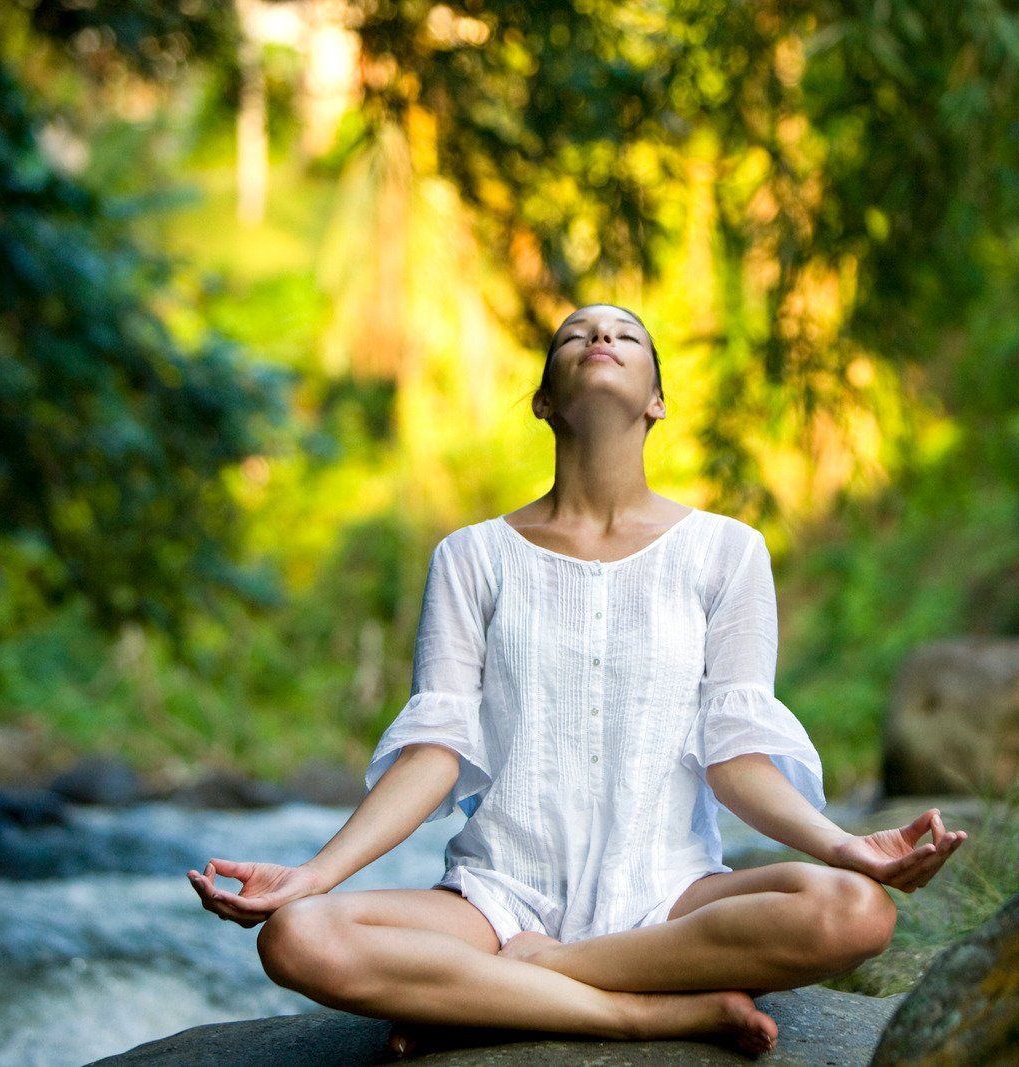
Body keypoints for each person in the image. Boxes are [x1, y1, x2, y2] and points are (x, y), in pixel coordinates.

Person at [187, 304, 967, 1057]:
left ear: (656, 401)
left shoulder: (727, 552)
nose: (601, 336)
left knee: (855, 911)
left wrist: (845, 846)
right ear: (544, 400)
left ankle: (509, 986)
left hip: (670, 896)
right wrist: (312, 874)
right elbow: (436, 753)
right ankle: (636, 1016)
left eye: (627, 333)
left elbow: (737, 759)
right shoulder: (471, 557)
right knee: (297, 934)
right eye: (576, 335)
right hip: (496, 900)